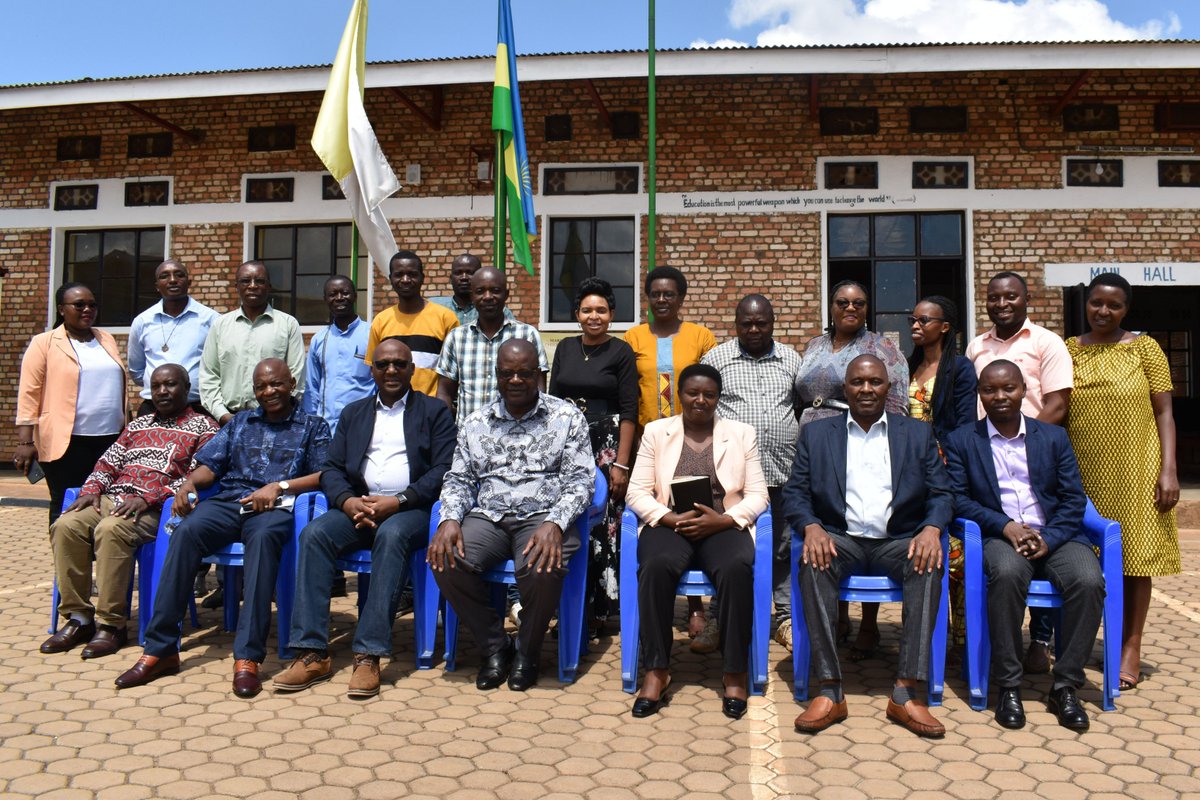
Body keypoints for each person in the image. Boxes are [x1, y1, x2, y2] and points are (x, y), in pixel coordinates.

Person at [115, 359, 330, 698]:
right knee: (185, 532)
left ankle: (247, 658)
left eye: (276, 384)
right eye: (261, 386)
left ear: (291, 383)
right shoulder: (240, 422)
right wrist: (188, 484)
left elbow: (324, 474)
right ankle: (161, 649)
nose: (269, 391)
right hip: (230, 502)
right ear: (254, 390)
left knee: (262, 542)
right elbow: (209, 466)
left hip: (273, 509)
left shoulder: (313, 426)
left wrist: (280, 487)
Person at [277, 339, 456, 698]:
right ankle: (311, 652)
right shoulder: (354, 412)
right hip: (358, 508)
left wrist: (399, 500)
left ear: (412, 370)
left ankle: (368, 654)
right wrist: (346, 502)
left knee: (391, 537)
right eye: (384, 364)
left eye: (399, 364)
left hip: (412, 512)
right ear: (372, 369)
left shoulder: (434, 412)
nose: (391, 370)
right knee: (314, 534)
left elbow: (444, 469)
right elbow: (331, 468)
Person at [784, 355, 952, 738]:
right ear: (845, 388)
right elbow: (795, 493)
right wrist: (810, 526)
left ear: (888, 389)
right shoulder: (817, 434)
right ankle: (829, 690)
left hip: (897, 542)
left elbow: (942, 493)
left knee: (928, 563)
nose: (865, 389)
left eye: (875, 382)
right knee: (812, 563)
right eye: (857, 382)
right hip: (839, 540)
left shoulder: (916, 434)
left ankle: (906, 691)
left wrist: (930, 529)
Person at [944, 360, 1103, 731]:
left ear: (1023, 390)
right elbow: (958, 499)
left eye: (1008, 389)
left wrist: (1048, 538)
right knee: (1007, 574)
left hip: (1056, 536)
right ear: (980, 394)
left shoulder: (1052, 437)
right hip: (1000, 537)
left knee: (1089, 580)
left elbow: (1072, 499)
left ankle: (1065, 686)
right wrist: (1006, 526)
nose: (999, 397)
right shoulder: (963, 440)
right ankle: (1009, 685)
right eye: (990, 390)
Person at [428, 339, 593, 692]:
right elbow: (459, 478)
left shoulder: (566, 417)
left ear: (538, 374)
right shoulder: (475, 422)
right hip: (488, 515)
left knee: (541, 564)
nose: (515, 380)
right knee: (444, 558)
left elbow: (581, 481)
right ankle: (495, 647)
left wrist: (555, 522)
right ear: (496, 375)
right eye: (507, 373)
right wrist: (450, 519)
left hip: (544, 515)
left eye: (524, 373)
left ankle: (528, 652)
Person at [39, 365, 219, 659]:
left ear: (187, 388)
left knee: (112, 529)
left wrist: (150, 497)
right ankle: (79, 618)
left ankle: (112, 625)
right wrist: (91, 490)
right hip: (113, 499)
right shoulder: (138, 425)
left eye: (171, 385)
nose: (163, 391)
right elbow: (107, 464)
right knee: (65, 525)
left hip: (158, 510)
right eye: (157, 386)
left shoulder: (204, 427)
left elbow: (197, 476)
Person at [625, 363, 769, 719]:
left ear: (719, 397)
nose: (700, 400)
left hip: (722, 525)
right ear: (680, 395)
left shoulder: (741, 434)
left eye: (709, 394)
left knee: (737, 567)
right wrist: (669, 518)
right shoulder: (657, 432)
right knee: (655, 566)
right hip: (671, 523)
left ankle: (734, 671)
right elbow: (636, 492)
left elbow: (759, 495)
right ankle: (657, 670)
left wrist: (725, 519)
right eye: (692, 393)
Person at [1063, 272, 1179, 692]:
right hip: (1084, 470)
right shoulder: (1069, 350)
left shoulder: (1145, 348)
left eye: (1114, 305)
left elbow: (1165, 413)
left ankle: (1131, 645)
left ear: (1126, 309)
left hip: (1137, 468)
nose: (1104, 311)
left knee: (1135, 560)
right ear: (1086, 304)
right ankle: (1075, 641)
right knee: (1083, 559)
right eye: (1097, 303)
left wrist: (1169, 469)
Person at [794, 280, 909, 661]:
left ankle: (869, 624)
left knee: (862, 522)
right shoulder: (814, 345)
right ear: (831, 306)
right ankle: (837, 617)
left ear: (866, 308)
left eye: (858, 303)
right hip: (814, 438)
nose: (850, 308)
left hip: (860, 440)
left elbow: (896, 402)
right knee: (829, 524)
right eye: (842, 302)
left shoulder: (880, 347)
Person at [965, 270, 1073, 675]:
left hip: (1038, 457)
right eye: (994, 297)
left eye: (1011, 296)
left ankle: (1041, 640)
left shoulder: (1047, 343)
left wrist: (1028, 444)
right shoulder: (977, 346)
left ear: (1027, 299)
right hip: (988, 460)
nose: (1002, 304)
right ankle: (998, 646)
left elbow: (1058, 403)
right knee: (1006, 558)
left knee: (1042, 534)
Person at [702, 294, 802, 652]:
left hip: (783, 469)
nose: (755, 329)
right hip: (732, 476)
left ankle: (785, 618)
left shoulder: (791, 358)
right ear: (736, 324)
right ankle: (718, 617)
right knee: (727, 544)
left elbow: (800, 406)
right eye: (747, 323)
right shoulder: (717, 358)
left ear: (773, 322)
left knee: (783, 545)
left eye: (762, 323)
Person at [623, 266, 717, 644]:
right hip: (647, 441)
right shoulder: (632, 337)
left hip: (691, 440)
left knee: (693, 513)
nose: (662, 300)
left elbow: (708, 385)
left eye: (669, 294)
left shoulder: (700, 336)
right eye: (655, 294)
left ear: (681, 298)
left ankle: (696, 605)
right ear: (647, 298)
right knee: (654, 517)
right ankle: (642, 597)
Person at [548, 277, 637, 632]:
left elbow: (630, 410)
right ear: (577, 315)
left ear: (612, 314)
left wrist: (621, 464)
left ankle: (601, 609)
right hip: (567, 443)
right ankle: (565, 603)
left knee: (605, 524)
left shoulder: (621, 351)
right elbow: (551, 403)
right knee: (566, 518)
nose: (594, 316)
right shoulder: (565, 348)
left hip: (607, 445)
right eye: (587, 310)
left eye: (601, 310)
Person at [15, 283, 126, 525]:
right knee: (65, 501)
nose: (87, 309)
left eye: (92, 305)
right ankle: (67, 559)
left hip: (110, 439)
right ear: (62, 309)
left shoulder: (105, 338)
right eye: (79, 305)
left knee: (103, 500)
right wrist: (25, 442)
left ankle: (97, 555)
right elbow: (29, 392)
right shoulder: (43, 343)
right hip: (67, 442)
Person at [907, 295, 978, 651]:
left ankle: (962, 633)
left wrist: (938, 462)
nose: (916, 326)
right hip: (909, 475)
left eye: (925, 320)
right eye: (913, 320)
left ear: (945, 327)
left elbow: (964, 428)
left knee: (955, 553)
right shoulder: (908, 367)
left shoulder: (961, 369)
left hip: (946, 472)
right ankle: (925, 634)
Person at [435, 265, 548, 425]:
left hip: (519, 433)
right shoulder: (456, 337)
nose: (488, 297)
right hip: (470, 437)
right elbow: (445, 392)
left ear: (506, 295)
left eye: (495, 290)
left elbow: (539, 389)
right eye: (480, 291)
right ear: (472, 296)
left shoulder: (527, 335)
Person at [200, 261, 306, 426]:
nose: (252, 286)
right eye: (245, 281)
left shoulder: (287, 324)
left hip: (275, 421)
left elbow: (296, 377)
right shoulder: (220, 325)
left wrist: (279, 413)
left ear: (269, 286)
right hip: (230, 420)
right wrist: (222, 415)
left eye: (259, 281)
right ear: (236, 287)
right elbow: (209, 375)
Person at [127, 259, 218, 417]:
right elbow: (137, 370)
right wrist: (160, 387)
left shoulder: (211, 320)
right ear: (157, 286)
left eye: (179, 275)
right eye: (164, 276)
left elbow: (219, 366)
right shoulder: (142, 321)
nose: (173, 280)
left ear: (189, 282)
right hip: (153, 408)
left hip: (198, 407)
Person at [366, 250, 459, 397]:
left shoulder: (445, 318)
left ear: (422, 278)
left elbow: (454, 371)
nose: (405, 280)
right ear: (390, 279)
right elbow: (374, 369)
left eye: (412, 274)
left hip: (432, 410)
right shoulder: (381, 321)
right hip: (392, 409)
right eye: (399, 274)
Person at [303, 275, 374, 435]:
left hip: (363, 426)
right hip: (326, 429)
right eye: (333, 294)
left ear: (355, 296)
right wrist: (311, 424)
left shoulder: (371, 334)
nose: (339, 298)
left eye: (345, 293)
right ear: (325, 299)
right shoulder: (319, 339)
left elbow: (379, 383)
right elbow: (312, 388)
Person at [429, 252, 515, 326]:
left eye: (470, 273)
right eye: (458, 273)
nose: (464, 277)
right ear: (451, 279)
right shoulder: (435, 307)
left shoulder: (500, 312)